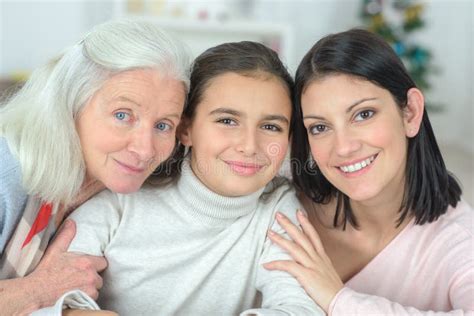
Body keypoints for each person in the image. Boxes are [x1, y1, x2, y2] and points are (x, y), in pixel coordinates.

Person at [39, 41, 324, 315]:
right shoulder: (121, 198)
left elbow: (299, 306)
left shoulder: (279, 207)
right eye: (227, 121)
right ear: (185, 129)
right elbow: (59, 297)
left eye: (271, 126)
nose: (249, 146)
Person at [264, 29, 474, 315]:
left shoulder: (460, 240)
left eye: (363, 114)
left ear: (410, 112)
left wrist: (337, 299)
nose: (344, 147)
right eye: (320, 127)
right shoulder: (283, 199)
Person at [0, 19, 190, 314]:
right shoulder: (6, 176)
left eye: (163, 125)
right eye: (123, 115)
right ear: (72, 103)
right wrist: (36, 289)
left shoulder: (110, 184)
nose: (145, 149)